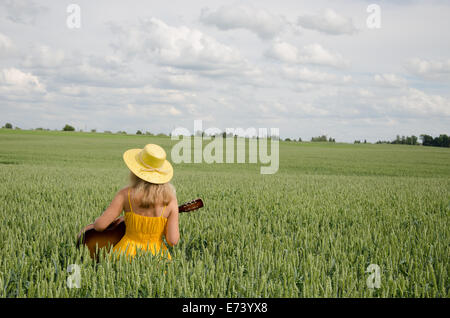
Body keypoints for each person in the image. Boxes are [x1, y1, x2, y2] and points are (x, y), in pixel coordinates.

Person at [93, 144, 179, 260]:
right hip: (157, 258)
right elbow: (173, 240)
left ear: (136, 171)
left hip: (125, 254)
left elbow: (100, 226)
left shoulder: (125, 194)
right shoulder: (170, 200)